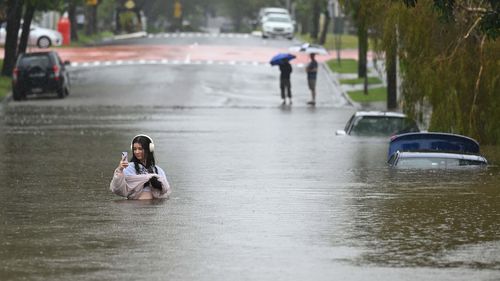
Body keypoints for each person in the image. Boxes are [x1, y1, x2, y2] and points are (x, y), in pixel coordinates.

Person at [110, 134, 171, 200]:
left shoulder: (158, 170)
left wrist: (158, 185)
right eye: (134, 149)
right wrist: (120, 169)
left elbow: (166, 191)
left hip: (154, 207)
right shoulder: (128, 168)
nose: (137, 152)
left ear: (149, 149)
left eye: (140, 149)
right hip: (135, 206)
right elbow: (117, 189)